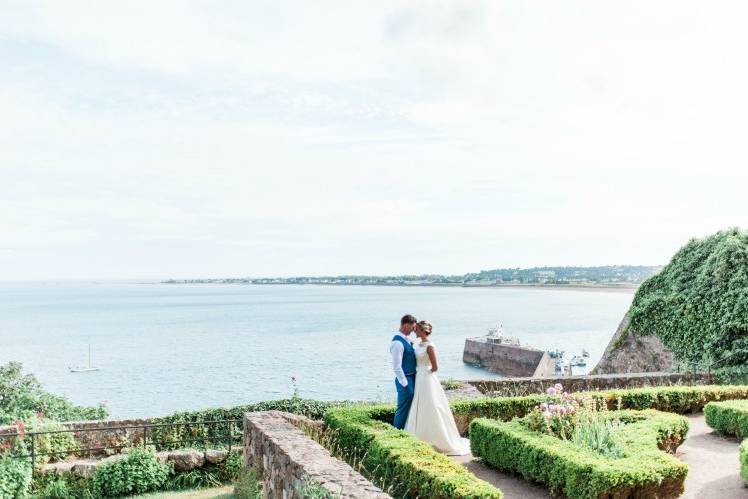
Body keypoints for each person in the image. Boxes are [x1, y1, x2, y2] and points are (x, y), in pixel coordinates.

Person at [404, 320, 469, 455]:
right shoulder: (417, 344)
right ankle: (419, 437)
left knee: (431, 406)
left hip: (427, 378)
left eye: (416, 329)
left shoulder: (430, 346)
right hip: (419, 377)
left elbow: (435, 367)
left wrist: (423, 371)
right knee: (420, 405)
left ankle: (438, 440)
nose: (414, 331)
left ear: (422, 330)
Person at [391, 314, 417, 429]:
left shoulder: (406, 339)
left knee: (409, 407)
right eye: (413, 327)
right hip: (405, 379)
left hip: (411, 377)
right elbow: (397, 367)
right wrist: (405, 383)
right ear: (406, 325)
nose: (413, 330)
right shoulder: (397, 343)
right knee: (402, 409)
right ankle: (396, 432)